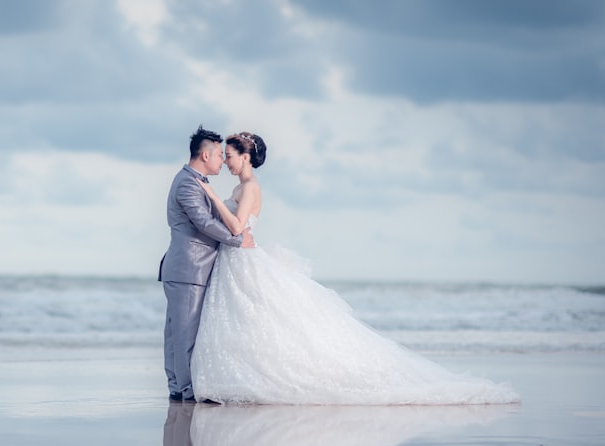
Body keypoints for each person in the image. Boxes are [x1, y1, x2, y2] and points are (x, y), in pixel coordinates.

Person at [191, 131, 519, 405]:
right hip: (233, 261)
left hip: (243, 258)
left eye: (230, 155)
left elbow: (236, 227)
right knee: (246, 322)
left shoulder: (250, 188)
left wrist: (210, 195)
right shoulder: (238, 187)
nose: (226, 160)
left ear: (245, 157)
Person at [160, 126, 255, 403]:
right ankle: (186, 390)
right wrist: (237, 241)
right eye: (218, 156)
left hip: (186, 268)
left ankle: (178, 387)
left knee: (176, 332)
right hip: (189, 267)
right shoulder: (188, 183)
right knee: (184, 334)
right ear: (204, 155)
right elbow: (202, 222)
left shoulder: (193, 180)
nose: (222, 162)